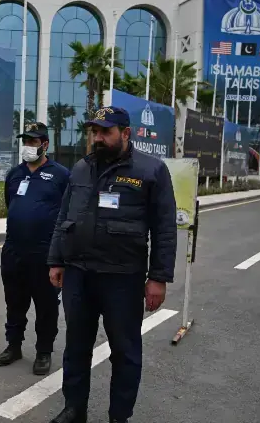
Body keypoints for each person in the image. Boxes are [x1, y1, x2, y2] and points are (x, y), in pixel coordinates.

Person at [47, 107, 177, 423]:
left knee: (125, 350)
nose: (99, 138)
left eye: (106, 132)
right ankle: (74, 408)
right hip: (79, 273)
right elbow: (64, 217)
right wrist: (56, 260)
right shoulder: (80, 168)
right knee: (76, 347)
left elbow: (164, 227)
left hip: (123, 277)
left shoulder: (151, 170)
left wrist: (158, 277)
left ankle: (119, 416)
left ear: (126, 133)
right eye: (95, 132)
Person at [0, 122, 71, 375]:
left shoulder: (60, 175)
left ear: (45, 145)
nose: (28, 146)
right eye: (25, 141)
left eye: (33, 142)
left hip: (45, 254)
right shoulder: (14, 174)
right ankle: (13, 346)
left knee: (46, 307)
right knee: (14, 303)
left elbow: (68, 212)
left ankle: (43, 352)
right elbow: (11, 204)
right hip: (14, 252)